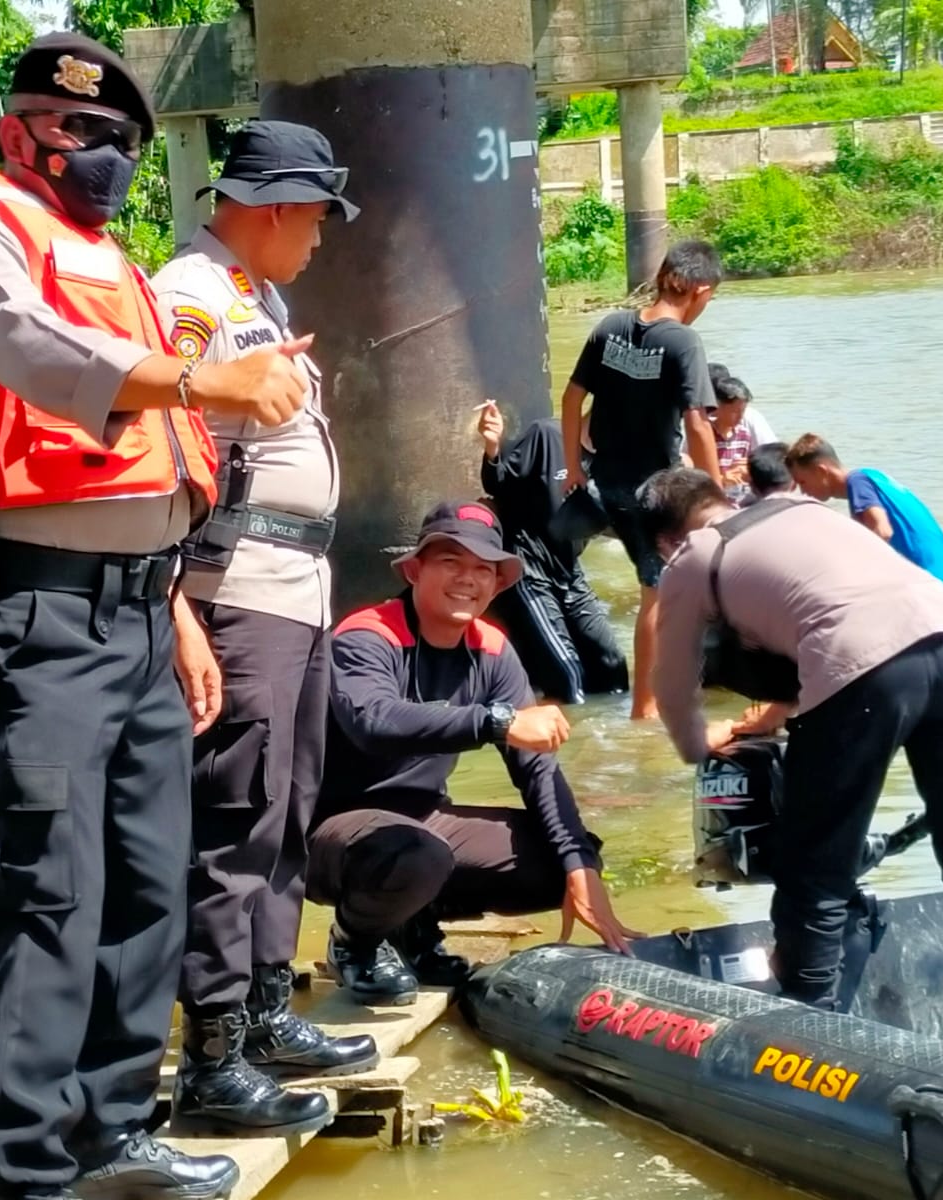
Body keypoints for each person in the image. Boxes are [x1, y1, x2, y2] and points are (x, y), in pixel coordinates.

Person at [0, 32, 309, 1200]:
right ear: (17, 132)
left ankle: (113, 1133)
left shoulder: (103, 253)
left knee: (148, 875)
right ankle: (26, 1168)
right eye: (78, 134)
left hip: (132, 612)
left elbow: (146, 469)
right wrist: (199, 379)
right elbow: (29, 348)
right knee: (52, 886)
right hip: (31, 615)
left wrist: (170, 604)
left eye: (119, 138)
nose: (101, 156)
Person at [149, 120, 374, 1138]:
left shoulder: (254, 294)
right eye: (318, 220)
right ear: (280, 206)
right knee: (234, 822)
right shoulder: (188, 298)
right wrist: (176, 603)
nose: (321, 240)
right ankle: (212, 1053)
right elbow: (154, 443)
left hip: (292, 588)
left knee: (285, 813)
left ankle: (268, 1009)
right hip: (234, 590)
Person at [641, 469, 943, 1056]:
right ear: (722, 498)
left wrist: (700, 746)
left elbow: (670, 686)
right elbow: (837, 602)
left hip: (865, 674)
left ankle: (809, 1034)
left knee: (817, 863)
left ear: (665, 540)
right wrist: (781, 710)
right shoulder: (804, 510)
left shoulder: (694, 556)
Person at [307, 501, 639, 1006]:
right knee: (416, 854)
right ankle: (355, 942)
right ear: (416, 569)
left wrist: (581, 868)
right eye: (450, 563)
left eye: (483, 569)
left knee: (562, 861)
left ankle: (412, 929)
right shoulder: (367, 635)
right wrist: (496, 721)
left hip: (422, 821)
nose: (468, 579)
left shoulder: (492, 649)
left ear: (499, 584)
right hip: (331, 833)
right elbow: (373, 722)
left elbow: (537, 769)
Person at [561, 240, 723, 721]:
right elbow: (697, 424)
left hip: (603, 485)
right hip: (653, 492)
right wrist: (715, 498)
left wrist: (573, 467)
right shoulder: (684, 342)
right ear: (701, 290)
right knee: (659, 592)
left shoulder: (611, 327)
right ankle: (644, 710)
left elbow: (571, 401)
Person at [476, 402, 628, 704]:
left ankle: (607, 747)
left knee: (613, 670)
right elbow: (499, 483)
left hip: (570, 572)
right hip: (529, 570)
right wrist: (492, 447)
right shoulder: (547, 435)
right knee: (568, 678)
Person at [785, 434, 943, 597]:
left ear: (821, 471)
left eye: (802, 482)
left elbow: (883, 531)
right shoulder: (872, 477)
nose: (803, 491)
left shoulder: (858, 482)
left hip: (927, 581)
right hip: (941, 576)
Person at [706, 375, 758, 505]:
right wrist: (723, 479)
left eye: (743, 411)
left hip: (740, 499)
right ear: (717, 407)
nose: (740, 417)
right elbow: (695, 475)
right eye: (735, 412)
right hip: (714, 499)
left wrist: (748, 471)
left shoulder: (744, 434)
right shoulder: (706, 435)